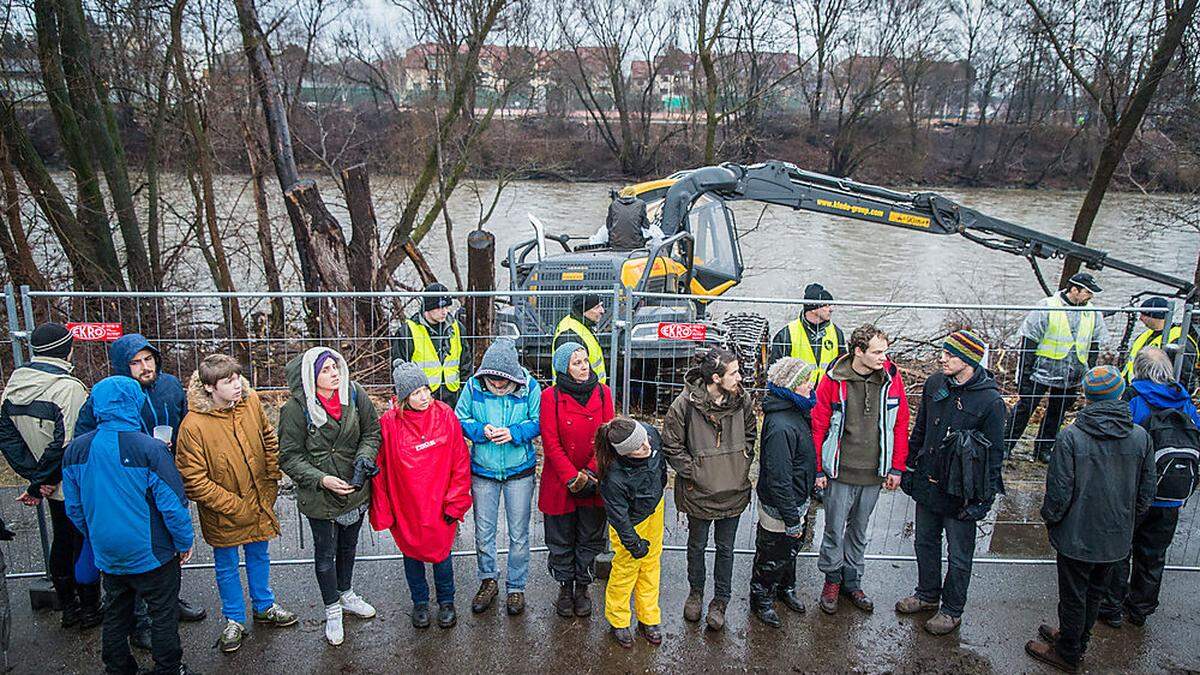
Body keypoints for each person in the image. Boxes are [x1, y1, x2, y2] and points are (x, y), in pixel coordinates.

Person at [75, 333, 207, 640]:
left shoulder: (170, 385)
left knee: (169, 544)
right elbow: (86, 437)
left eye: (148, 360)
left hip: (164, 473)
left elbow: (185, 422)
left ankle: (169, 601)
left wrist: (178, 448)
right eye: (135, 362)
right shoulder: (107, 395)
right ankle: (140, 621)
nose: (144, 367)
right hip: (127, 483)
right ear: (123, 366)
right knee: (139, 552)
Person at [61, 376, 196, 675]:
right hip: (152, 549)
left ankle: (118, 667)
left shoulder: (75, 450)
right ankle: (168, 668)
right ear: (134, 402)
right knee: (162, 613)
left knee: (115, 611)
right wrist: (184, 541)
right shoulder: (150, 448)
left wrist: (95, 534)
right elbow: (173, 504)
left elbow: (74, 506)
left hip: (106, 548)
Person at [1025, 365, 1155, 673]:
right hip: (1116, 535)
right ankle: (1076, 636)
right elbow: (1146, 491)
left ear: (1087, 397)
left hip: (1076, 534)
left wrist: (1052, 520)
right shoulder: (1140, 437)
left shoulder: (1071, 437)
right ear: (1120, 394)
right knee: (1095, 593)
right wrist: (1128, 522)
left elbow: (1058, 492)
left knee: (1072, 595)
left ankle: (1068, 652)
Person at [175, 354, 297, 653]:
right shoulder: (193, 425)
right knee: (226, 564)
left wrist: (271, 478)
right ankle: (234, 619)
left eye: (238, 378)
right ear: (209, 387)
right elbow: (193, 478)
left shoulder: (249, 401)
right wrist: (234, 505)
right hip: (223, 510)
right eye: (228, 382)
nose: (237, 386)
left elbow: (268, 437)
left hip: (258, 497)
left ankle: (264, 605)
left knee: (259, 553)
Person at [896, 330, 1007, 635]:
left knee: (959, 554)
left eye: (951, 355)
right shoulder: (935, 384)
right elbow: (920, 429)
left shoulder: (991, 401)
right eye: (943, 352)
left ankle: (952, 610)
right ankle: (927, 595)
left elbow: (995, 453)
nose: (942, 358)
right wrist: (908, 467)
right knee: (925, 542)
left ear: (969, 361)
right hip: (928, 482)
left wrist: (983, 500)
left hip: (961, 492)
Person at [278, 347, 382, 645]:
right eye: (325, 370)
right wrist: (322, 479)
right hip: (320, 494)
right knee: (325, 554)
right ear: (311, 376)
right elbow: (289, 457)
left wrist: (364, 459)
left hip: (355, 487)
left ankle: (346, 593)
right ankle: (332, 609)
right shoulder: (295, 409)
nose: (334, 373)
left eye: (336, 366)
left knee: (349, 546)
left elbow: (371, 432)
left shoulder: (354, 393)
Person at [0, 323, 100, 630]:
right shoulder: (68, 388)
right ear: (66, 348)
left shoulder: (15, 383)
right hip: (71, 479)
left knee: (62, 539)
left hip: (48, 480)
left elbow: (8, 437)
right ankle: (89, 608)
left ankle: (69, 606)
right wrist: (42, 479)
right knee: (81, 542)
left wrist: (35, 477)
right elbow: (70, 443)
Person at [811, 324, 909, 615]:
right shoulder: (833, 381)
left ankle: (853, 580)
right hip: (840, 470)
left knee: (859, 529)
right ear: (858, 351)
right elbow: (819, 425)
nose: (884, 357)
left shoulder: (891, 378)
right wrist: (818, 469)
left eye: (885, 351)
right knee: (834, 529)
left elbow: (901, 421)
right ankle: (832, 580)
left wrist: (897, 466)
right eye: (877, 352)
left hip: (874, 471)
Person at [1100, 348, 1200, 628]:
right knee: (1154, 554)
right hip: (1170, 495)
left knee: (1121, 549)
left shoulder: (1133, 399)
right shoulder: (1184, 401)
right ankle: (1141, 608)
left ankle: (1112, 606)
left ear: (1138, 369)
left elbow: (1116, 440)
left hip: (1132, 493)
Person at [371, 362, 472, 630]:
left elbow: (460, 461)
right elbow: (380, 470)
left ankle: (447, 602)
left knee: (442, 555)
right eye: (416, 393)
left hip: (439, 503)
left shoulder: (445, 415)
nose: (424, 397)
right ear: (403, 397)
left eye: (426, 389)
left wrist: (456, 501)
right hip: (408, 505)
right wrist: (385, 511)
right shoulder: (389, 424)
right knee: (411, 554)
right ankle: (420, 603)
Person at [662, 347, 756, 632]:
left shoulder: (743, 401)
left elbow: (751, 435)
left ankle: (721, 600)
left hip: (733, 488)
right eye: (734, 372)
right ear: (716, 377)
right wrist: (698, 472)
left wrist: (741, 463)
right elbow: (672, 445)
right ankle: (696, 593)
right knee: (697, 545)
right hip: (699, 490)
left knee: (726, 548)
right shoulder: (684, 405)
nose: (740, 377)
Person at [454, 339, 541, 617]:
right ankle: (488, 580)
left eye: (504, 381)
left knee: (518, 535)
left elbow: (539, 420)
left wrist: (515, 433)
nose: (498, 386)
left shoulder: (530, 386)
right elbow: (460, 418)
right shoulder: (472, 387)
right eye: (493, 380)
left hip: (519, 471)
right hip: (483, 470)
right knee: (484, 533)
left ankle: (516, 587)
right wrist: (481, 430)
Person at [539, 341, 613, 618]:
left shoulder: (603, 394)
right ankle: (564, 585)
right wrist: (572, 477)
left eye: (585, 361)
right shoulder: (551, 397)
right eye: (577, 363)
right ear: (564, 369)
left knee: (589, 537)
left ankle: (582, 585)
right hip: (561, 481)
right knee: (560, 538)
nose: (584, 367)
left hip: (594, 480)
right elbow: (550, 441)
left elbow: (608, 437)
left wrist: (590, 473)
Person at [1006, 272, 1108, 462]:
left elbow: (1094, 345)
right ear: (1074, 289)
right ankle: (1006, 445)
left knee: (1057, 413)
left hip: (1073, 374)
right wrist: (1024, 375)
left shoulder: (1093, 312)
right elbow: (1029, 340)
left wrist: (1088, 373)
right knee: (1025, 409)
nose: (1091, 296)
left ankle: (1044, 449)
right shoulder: (1047, 306)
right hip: (1040, 371)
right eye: (1087, 292)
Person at [750, 357, 817, 628]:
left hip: (796, 499)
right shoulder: (781, 425)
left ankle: (785, 588)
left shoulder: (796, 412)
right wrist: (791, 517)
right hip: (782, 507)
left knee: (789, 551)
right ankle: (761, 598)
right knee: (772, 554)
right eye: (806, 381)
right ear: (793, 386)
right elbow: (778, 478)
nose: (811, 385)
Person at [596, 416, 666, 648]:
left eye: (644, 440)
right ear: (624, 453)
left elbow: (661, 465)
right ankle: (618, 619)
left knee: (651, 564)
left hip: (655, 508)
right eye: (637, 448)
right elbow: (618, 517)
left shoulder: (649, 434)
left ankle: (648, 617)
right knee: (626, 569)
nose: (646, 446)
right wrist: (633, 543)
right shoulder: (613, 477)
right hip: (631, 521)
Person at [390, 282, 473, 406]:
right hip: (423, 397)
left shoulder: (457, 328)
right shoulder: (408, 331)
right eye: (440, 308)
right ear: (428, 308)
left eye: (447, 307)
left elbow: (465, 362)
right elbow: (399, 369)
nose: (445, 312)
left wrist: (465, 392)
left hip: (454, 396)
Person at [768, 283, 846, 380]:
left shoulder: (837, 333)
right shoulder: (786, 334)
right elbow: (775, 373)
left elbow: (843, 366)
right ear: (813, 309)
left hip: (826, 393)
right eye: (826, 305)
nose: (831, 309)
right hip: (795, 393)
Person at [1121, 297, 1197, 390]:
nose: (1140, 318)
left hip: (1156, 395)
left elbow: (1187, 377)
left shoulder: (1179, 341)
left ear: (1155, 316)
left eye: (1144, 315)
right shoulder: (1145, 335)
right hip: (1136, 389)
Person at [552, 293, 607, 385]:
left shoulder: (581, 325)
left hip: (591, 391)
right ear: (584, 311)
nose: (602, 311)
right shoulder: (570, 335)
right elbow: (572, 377)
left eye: (601, 306)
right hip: (577, 395)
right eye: (597, 307)